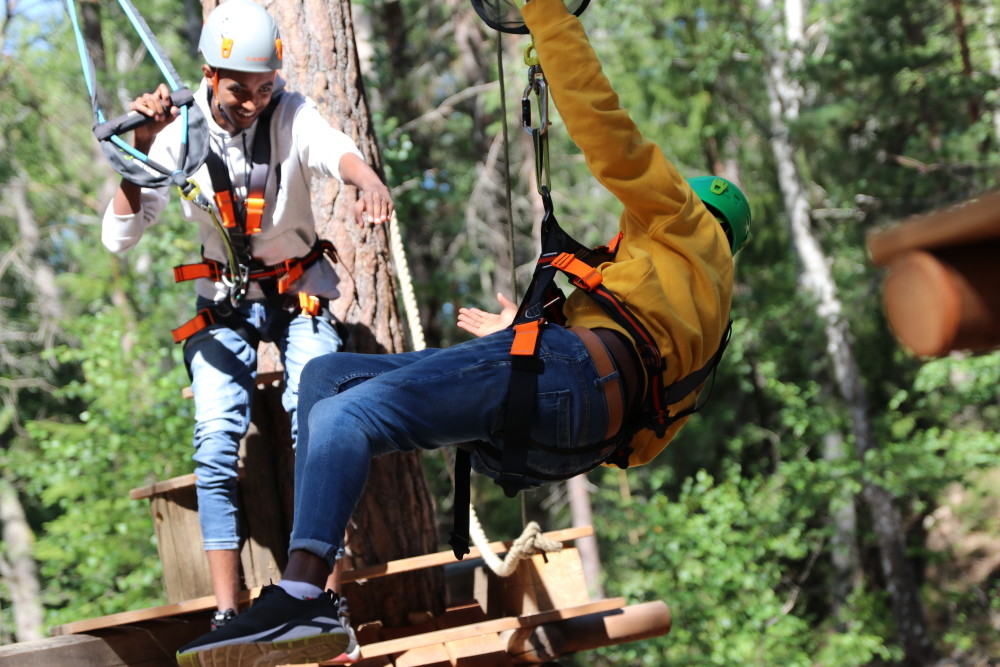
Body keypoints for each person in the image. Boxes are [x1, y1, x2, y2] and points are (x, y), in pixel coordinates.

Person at [175, 0, 750, 663]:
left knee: (344, 416)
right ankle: (309, 594)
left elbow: (607, 133)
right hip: (576, 420)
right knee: (323, 377)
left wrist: (546, 15)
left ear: (697, 207)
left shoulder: (685, 220)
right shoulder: (702, 315)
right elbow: (637, 437)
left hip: (567, 377)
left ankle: (305, 597)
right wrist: (541, 341)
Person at [101, 0, 392, 638]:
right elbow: (118, 237)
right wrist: (139, 153)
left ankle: (324, 605)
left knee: (321, 426)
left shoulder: (290, 114)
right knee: (213, 440)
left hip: (300, 294)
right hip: (225, 304)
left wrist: (365, 179)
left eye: (264, 87)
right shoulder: (177, 131)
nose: (253, 102)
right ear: (209, 75)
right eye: (239, 90)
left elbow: (332, 149)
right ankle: (228, 611)